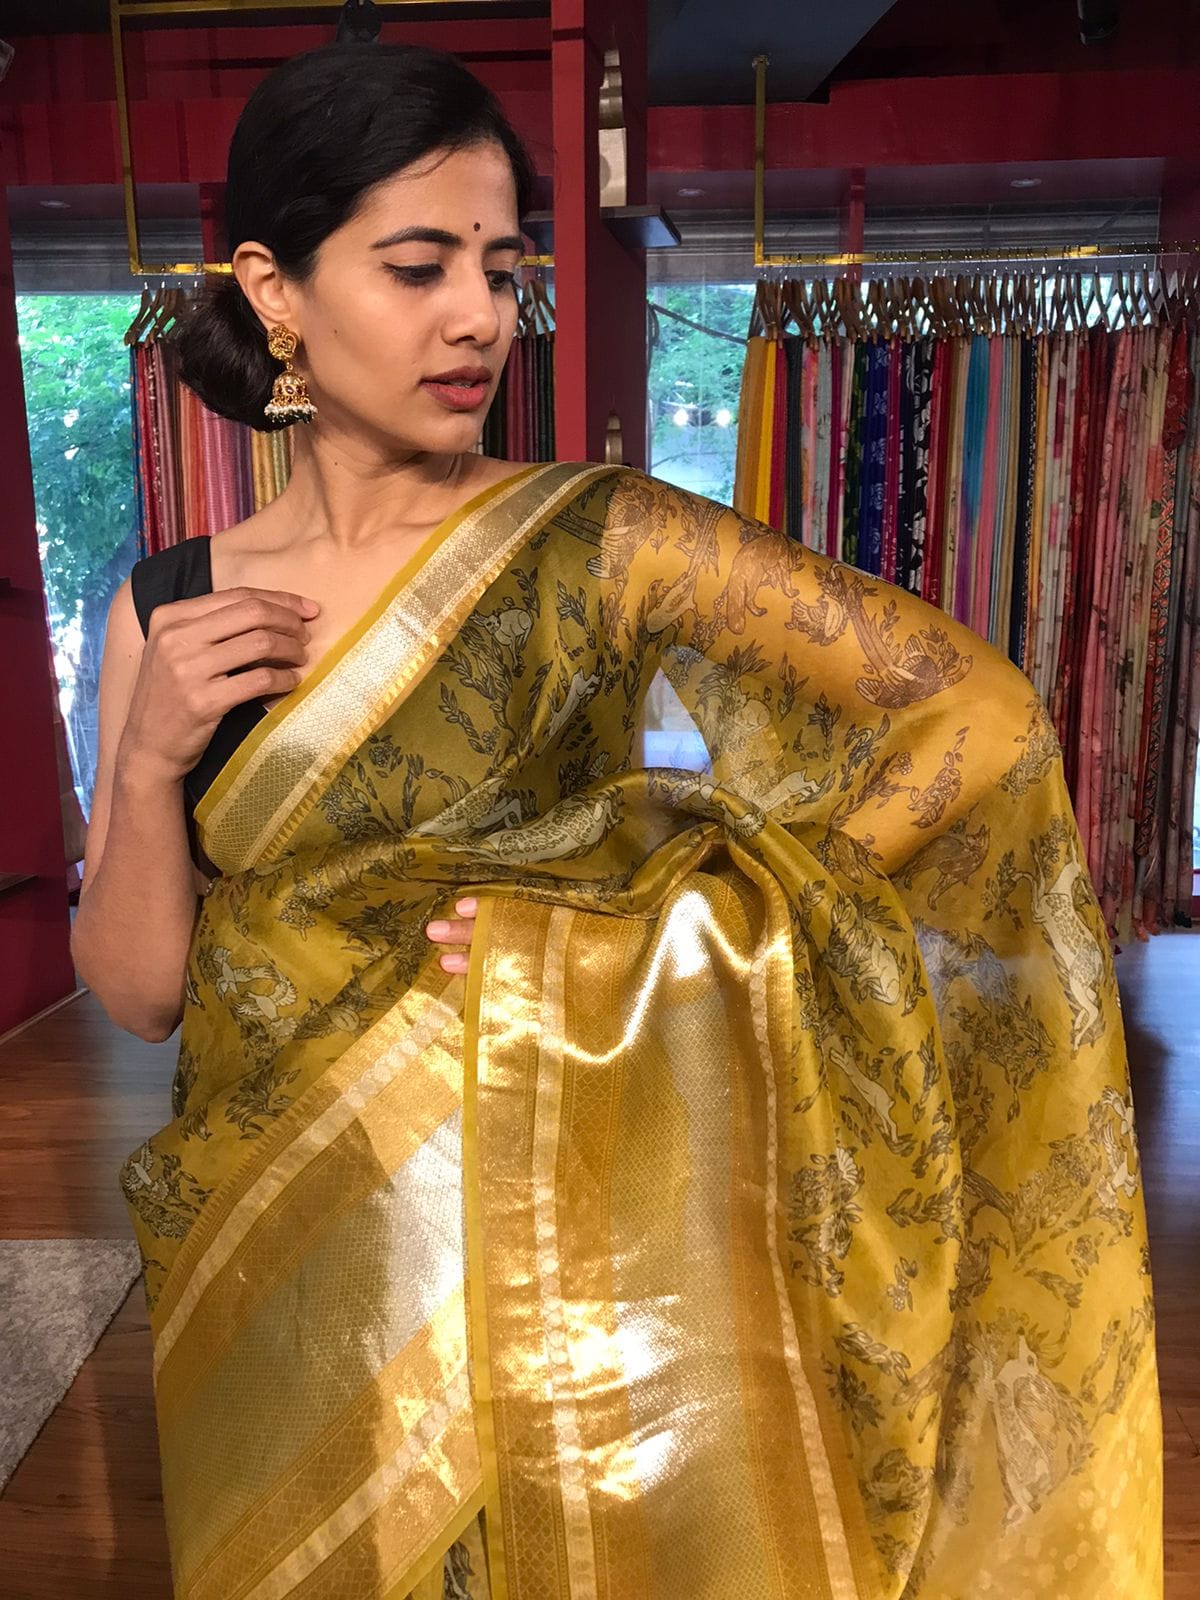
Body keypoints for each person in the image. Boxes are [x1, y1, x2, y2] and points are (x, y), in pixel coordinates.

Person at [71, 39, 1161, 1600]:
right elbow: (139, 993)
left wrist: (687, 936)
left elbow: (972, 716)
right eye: (418, 266)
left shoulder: (600, 541)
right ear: (275, 288)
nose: (479, 315)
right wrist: (143, 764)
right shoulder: (167, 607)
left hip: (536, 1213)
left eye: (503, 269)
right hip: (269, 1252)